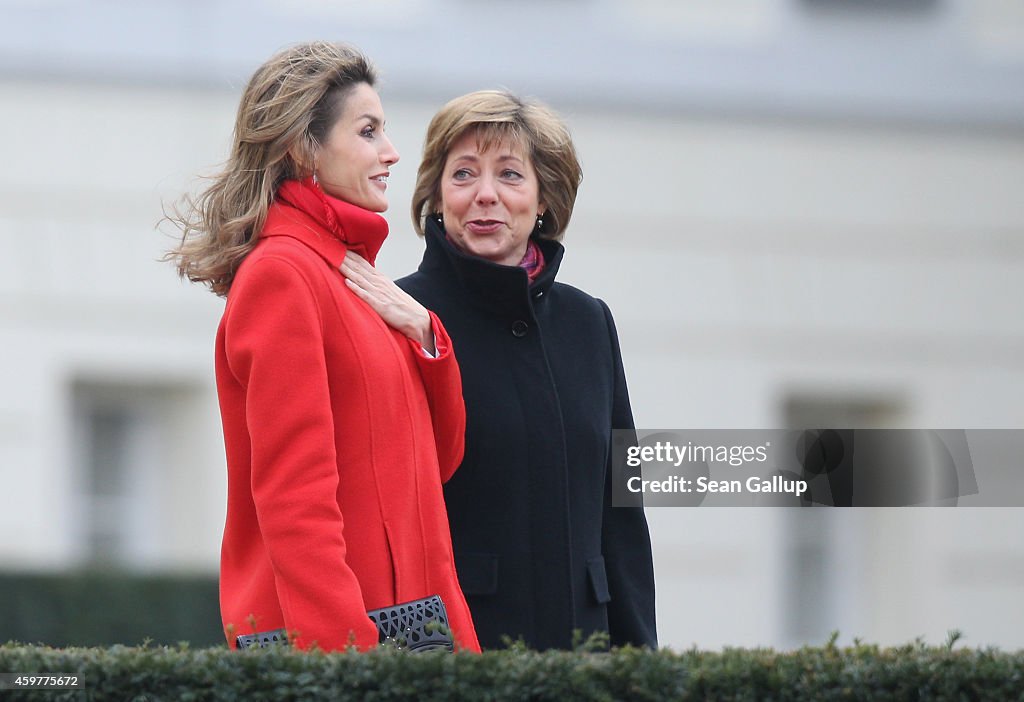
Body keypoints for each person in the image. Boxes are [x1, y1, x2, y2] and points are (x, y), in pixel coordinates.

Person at [166, 41, 480, 653]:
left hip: (413, 625)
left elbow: (436, 465)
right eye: (368, 132)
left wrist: (424, 337)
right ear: (303, 148)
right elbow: (294, 501)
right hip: (344, 635)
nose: (391, 152)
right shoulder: (284, 276)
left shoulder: (352, 277)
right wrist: (345, 658)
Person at [397, 90, 657, 650]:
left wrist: (641, 669)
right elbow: (391, 522)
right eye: (463, 173)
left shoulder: (589, 322)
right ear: (437, 197)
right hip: (462, 656)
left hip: (585, 656)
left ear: (542, 199)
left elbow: (622, 518)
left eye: (510, 175)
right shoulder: (401, 319)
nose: (485, 195)